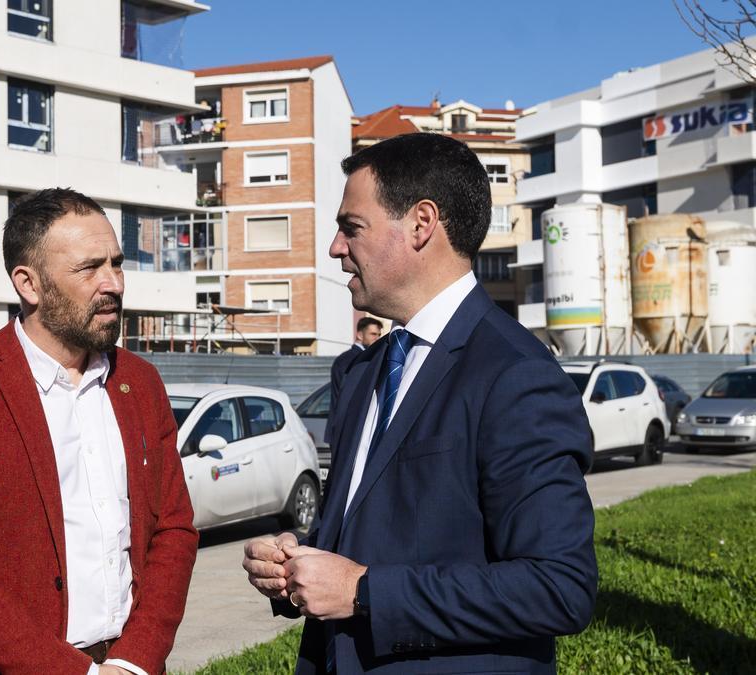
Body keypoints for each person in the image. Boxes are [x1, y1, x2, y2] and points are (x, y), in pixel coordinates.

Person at [242, 133, 597, 674]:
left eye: (351, 227)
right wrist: (298, 562)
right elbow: (377, 530)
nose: (336, 247)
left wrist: (363, 592)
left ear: (421, 224)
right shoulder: (360, 370)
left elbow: (559, 586)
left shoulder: (515, 374)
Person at [0, 188, 198, 675]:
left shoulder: (140, 383)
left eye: (117, 263)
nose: (114, 283)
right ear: (29, 283)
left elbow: (174, 531)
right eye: (89, 268)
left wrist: (134, 660)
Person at [326, 317, 385, 446]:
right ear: (359, 335)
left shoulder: (350, 358)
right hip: (347, 429)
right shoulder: (355, 359)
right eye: (373, 334)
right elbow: (348, 396)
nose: (377, 338)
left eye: (379, 335)